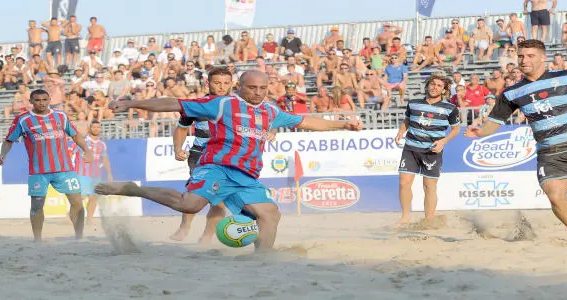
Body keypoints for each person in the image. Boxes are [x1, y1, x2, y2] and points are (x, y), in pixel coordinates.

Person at [94, 70, 362, 251]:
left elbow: (307, 121)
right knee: (189, 205)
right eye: (252, 87)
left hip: (247, 177)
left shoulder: (271, 111)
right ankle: (132, 188)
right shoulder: (221, 104)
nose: (258, 92)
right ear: (240, 86)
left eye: (263, 88)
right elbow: (173, 104)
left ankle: (263, 261)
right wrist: (131, 105)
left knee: (270, 214)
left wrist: (342, 124)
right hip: (217, 169)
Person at [465, 40, 567, 241]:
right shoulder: (511, 93)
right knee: (555, 197)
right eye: (521, 56)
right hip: (550, 153)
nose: (524, 60)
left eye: (530, 56)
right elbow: (494, 123)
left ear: (543, 58)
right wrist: (479, 133)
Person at [0, 89, 93, 243]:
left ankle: (79, 237)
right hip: (38, 171)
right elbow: (9, 140)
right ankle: (38, 240)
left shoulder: (61, 116)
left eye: (44, 100)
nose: (41, 103)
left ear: (49, 100)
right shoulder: (23, 120)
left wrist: (87, 150)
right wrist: (3, 154)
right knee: (37, 206)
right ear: (31, 101)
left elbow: (75, 135)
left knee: (77, 202)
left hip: (64, 168)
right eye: (37, 100)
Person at [168, 68, 234, 243]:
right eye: (217, 83)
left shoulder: (238, 105)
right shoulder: (198, 105)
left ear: (232, 84)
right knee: (195, 195)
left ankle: (206, 237)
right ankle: (184, 228)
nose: (221, 87)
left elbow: (269, 116)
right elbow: (181, 128)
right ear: (208, 83)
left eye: (226, 83)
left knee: (219, 201)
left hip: (226, 158)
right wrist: (177, 149)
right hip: (200, 155)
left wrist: (271, 132)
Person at [394, 74, 461, 228]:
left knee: (429, 186)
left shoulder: (450, 109)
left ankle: (429, 220)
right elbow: (407, 120)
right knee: (404, 183)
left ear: (444, 90)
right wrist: (400, 132)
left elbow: (456, 129)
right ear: (427, 86)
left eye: (438, 85)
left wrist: (443, 141)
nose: (434, 87)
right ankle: (405, 218)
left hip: (432, 151)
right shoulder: (414, 103)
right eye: (432, 84)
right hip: (411, 147)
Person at [69, 121, 113, 225]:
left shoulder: (102, 144)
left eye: (98, 127)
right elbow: (70, 153)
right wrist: (70, 169)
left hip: (96, 175)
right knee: (81, 197)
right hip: (82, 173)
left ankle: (89, 220)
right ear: (90, 128)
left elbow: (105, 159)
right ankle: (71, 215)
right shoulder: (82, 141)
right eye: (94, 127)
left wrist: (109, 173)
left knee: (94, 198)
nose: (97, 129)